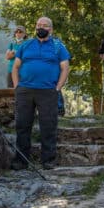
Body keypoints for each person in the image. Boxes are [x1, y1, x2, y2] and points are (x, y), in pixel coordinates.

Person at [12, 16, 70, 169]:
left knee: (48, 126)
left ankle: (48, 160)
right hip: (25, 91)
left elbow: (65, 68)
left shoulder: (58, 46)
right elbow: (16, 67)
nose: (41, 27)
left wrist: (57, 88)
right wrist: (17, 86)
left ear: (50, 29)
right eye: (38, 25)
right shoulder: (26, 45)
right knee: (22, 125)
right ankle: (21, 161)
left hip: (47, 91)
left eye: (44, 25)